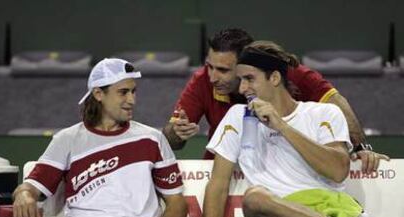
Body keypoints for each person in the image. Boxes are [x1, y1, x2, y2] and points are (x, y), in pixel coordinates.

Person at [202, 41, 404, 217]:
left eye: (249, 79)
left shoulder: (324, 113)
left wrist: (280, 125)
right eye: (240, 80)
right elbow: (217, 185)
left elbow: (338, 170)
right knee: (254, 199)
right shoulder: (236, 116)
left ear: (274, 78)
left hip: (327, 216)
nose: (242, 88)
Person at [12, 58, 198, 217]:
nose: (132, 100)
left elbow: (176, 201)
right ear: (98, 94)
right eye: (123, 92)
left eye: (133, 91)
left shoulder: (152, 138)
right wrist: (24, 195)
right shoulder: (67, 138)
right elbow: (31, 187)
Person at [163, 28, 387, 173]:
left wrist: (361, 147)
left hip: (283, 168)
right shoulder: (203, 80)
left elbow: (336, 102)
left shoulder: (288, 72)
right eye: (209, 66)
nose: (212, 76)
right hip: (225, 169)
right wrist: (176, 133)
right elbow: (171, 139)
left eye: (223, 70)